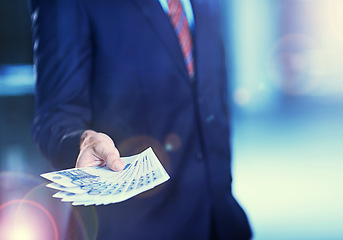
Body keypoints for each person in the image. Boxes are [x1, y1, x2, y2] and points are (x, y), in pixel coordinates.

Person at [29, 0, 252, 239]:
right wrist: (82, 142)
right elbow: (56, 117)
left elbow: (209, 98)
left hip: (220, 221)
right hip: (136, 228)